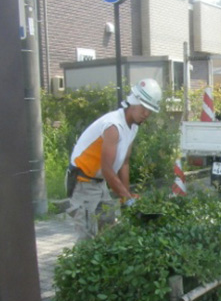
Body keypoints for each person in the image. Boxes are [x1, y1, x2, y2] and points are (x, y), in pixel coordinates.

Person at [66, 78, 162, 241]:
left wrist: (126, 197)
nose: (146, 113)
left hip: (99, 182)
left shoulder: (132, 127)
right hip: (82, 181)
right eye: (144, 108)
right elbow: (108, 169)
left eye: (150, 110)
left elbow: (124, 163)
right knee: (87, 238)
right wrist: (128, 199)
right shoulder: (113, 126)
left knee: (108, 231)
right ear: (134, 101)